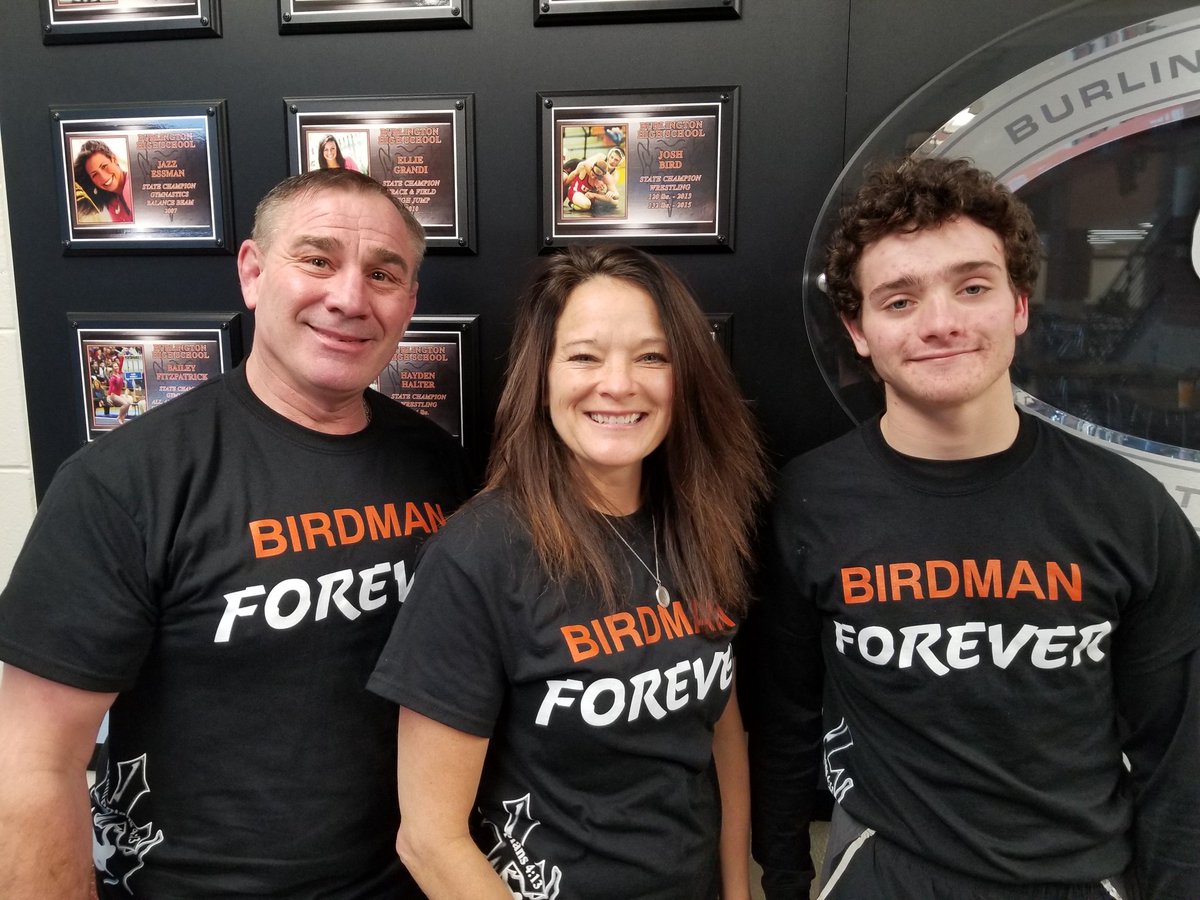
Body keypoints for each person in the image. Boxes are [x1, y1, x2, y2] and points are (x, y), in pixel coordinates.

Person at [0, 168, 470, 897]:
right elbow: (31, 767)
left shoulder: (443, 470)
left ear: (408, 303)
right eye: (317, 260)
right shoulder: (126, 483)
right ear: (252, 273)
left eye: (383, 274)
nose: (348, 297)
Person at [747, 156, 1200, 899]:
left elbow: (1180, 755)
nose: (941, 323)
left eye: (973, 287)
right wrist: (788, 883)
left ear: (1019, 304)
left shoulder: (1130, 509)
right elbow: (786, 721)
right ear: (857, 330)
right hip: (882, 875)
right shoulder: (810, 501)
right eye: (898, 300)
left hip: (1079, 878)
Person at [368, 244, 768, 899]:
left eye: (652, 356)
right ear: (543, 376)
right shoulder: (481, 551)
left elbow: (719, 723)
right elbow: (429, 840)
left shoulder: (703, 520)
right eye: (584, 355)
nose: (618, 384)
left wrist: (736, 889)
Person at [72, 139, 134, 224]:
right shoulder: (112, 202)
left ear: (114, 159)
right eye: (94, 175)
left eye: (104, 166)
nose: (103, 177)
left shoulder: (131, 186)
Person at [562, 147, 625, 213]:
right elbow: (584, 165)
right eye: (612, 157)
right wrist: (597, 179)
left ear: (620, 163)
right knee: (563, 179)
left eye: (616, 160)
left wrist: (611, 194)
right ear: (609, 155)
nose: (612, 161)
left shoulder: (612, 176)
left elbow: (612, 197)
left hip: (583, 185)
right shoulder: (601, 157)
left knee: (609, 202)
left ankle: (572, 202)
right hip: (574, 167)